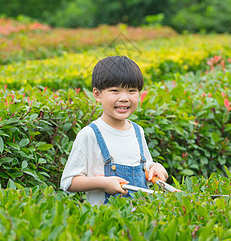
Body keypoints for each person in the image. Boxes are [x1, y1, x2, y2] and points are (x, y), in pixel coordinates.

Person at [60, 56, 168, 205]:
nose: (124, 98)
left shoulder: (137, 131)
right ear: (97, 95)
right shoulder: (90, 135)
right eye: (115, 91)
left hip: (141, 219)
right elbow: (68, 182)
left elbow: (145, 167)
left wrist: (155, 168)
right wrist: (102, 183)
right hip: (105, 221)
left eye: (131, 91)